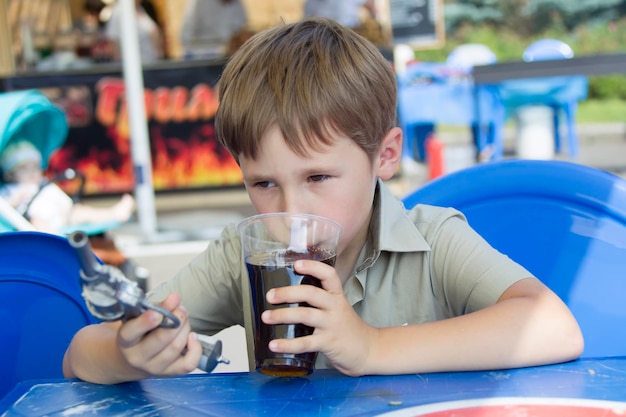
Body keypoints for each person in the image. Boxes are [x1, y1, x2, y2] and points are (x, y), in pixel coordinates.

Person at [62, 17, 583, 384]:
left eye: (318, 177)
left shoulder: (432, 237)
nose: (292, 215)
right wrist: (131, 355)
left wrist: (370, 346)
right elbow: (79, 357)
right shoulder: (243, 253)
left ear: (385, 155)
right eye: (264, 184)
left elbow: (554, 327)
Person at [0, 140, 135, 236]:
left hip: (61, 213)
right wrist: (16, 199)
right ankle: (58, 242)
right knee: (37, 223)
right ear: (9, 174)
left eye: (35, 167)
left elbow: (58, 197)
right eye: (24, 169)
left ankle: (114, 213)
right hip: (36, 218)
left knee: (81, 212)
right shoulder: (11, 189)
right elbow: (5, 208)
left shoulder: (43, 183)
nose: (31, 172)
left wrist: (67, 206)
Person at [179, 0, 248, 59]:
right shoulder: (199, 3)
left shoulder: (237, 4)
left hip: (228, 59)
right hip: (200, 60)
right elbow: (186, 39)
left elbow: (241, 28)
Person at [303, 0, 376, 28]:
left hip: (351, 32)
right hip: (322, 36)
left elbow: (371, 6)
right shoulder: (311, 3)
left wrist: (372, 23)